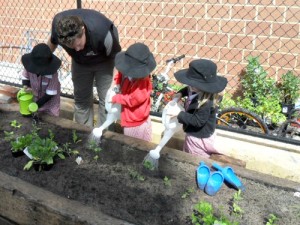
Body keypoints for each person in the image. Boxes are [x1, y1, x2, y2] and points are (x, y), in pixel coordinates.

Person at [47, 8, 121, 127]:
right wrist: (42, 61)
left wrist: (114, 86)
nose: (77, 49)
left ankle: (104, 136)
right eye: (71, 47)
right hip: (80, 63)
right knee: (81, 101)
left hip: (105, 61)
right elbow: (52, 43)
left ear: (83, 30)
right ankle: (83, 133)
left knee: (107, 100)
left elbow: (118, 59)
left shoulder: (102, 32)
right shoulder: (58, 29)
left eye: (79, 44)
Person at [170, 59, 228, 158]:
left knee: (193, 158)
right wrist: (181, 93)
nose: (190, 86)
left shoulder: (207, 102)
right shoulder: (196, 89)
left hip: (198, 137)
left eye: (193, 84)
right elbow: (187, 89)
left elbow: (198, 121)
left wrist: (179, 113)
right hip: (194, 133)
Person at [109, 43, 156, 142]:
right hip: (133, 117)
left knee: (133, 144)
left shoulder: (142, 83)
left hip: (135, 121)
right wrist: (117, 83)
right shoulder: (126, 71)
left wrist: (115, 98)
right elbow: (120, 75)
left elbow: (132, 100)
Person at [21, 43, 62, 117]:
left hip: (50, 102)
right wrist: (26, 86)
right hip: (36, 97)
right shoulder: (29, 66)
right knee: (36, 115)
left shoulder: (53, 74)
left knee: (51, 118)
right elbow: (25, 77)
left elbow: (49, 94)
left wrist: (36, 105)